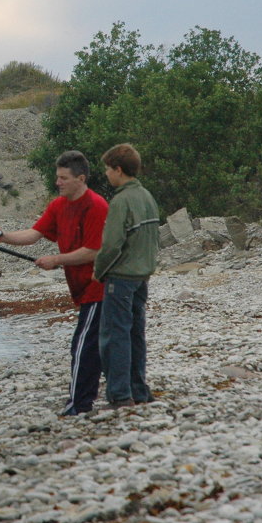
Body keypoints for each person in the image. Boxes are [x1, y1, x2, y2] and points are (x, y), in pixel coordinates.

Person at [0, 150, 108, 415]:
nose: (58, 182)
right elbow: (34, 233)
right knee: (104, 342)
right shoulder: (58, 205)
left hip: (103, 285)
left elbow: (94, 251)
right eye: (57, 177)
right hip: (82, 287)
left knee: (83, 345)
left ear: (81, 178)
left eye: (64, 178)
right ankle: (126, 392)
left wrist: (56, 260)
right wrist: (3, 237)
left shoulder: (97, 206)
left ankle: (79, 405)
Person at [92, 143, 160, 410]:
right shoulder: (147, 196)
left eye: (108, 169)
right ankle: (139, 390)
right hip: (142, 277)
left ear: (118, 170)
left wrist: (98, 272)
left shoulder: (121, 200)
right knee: (135, 335)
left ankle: (120, 395)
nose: (107, 174)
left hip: (120, 278)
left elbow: (111, 245)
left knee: (115, 336)